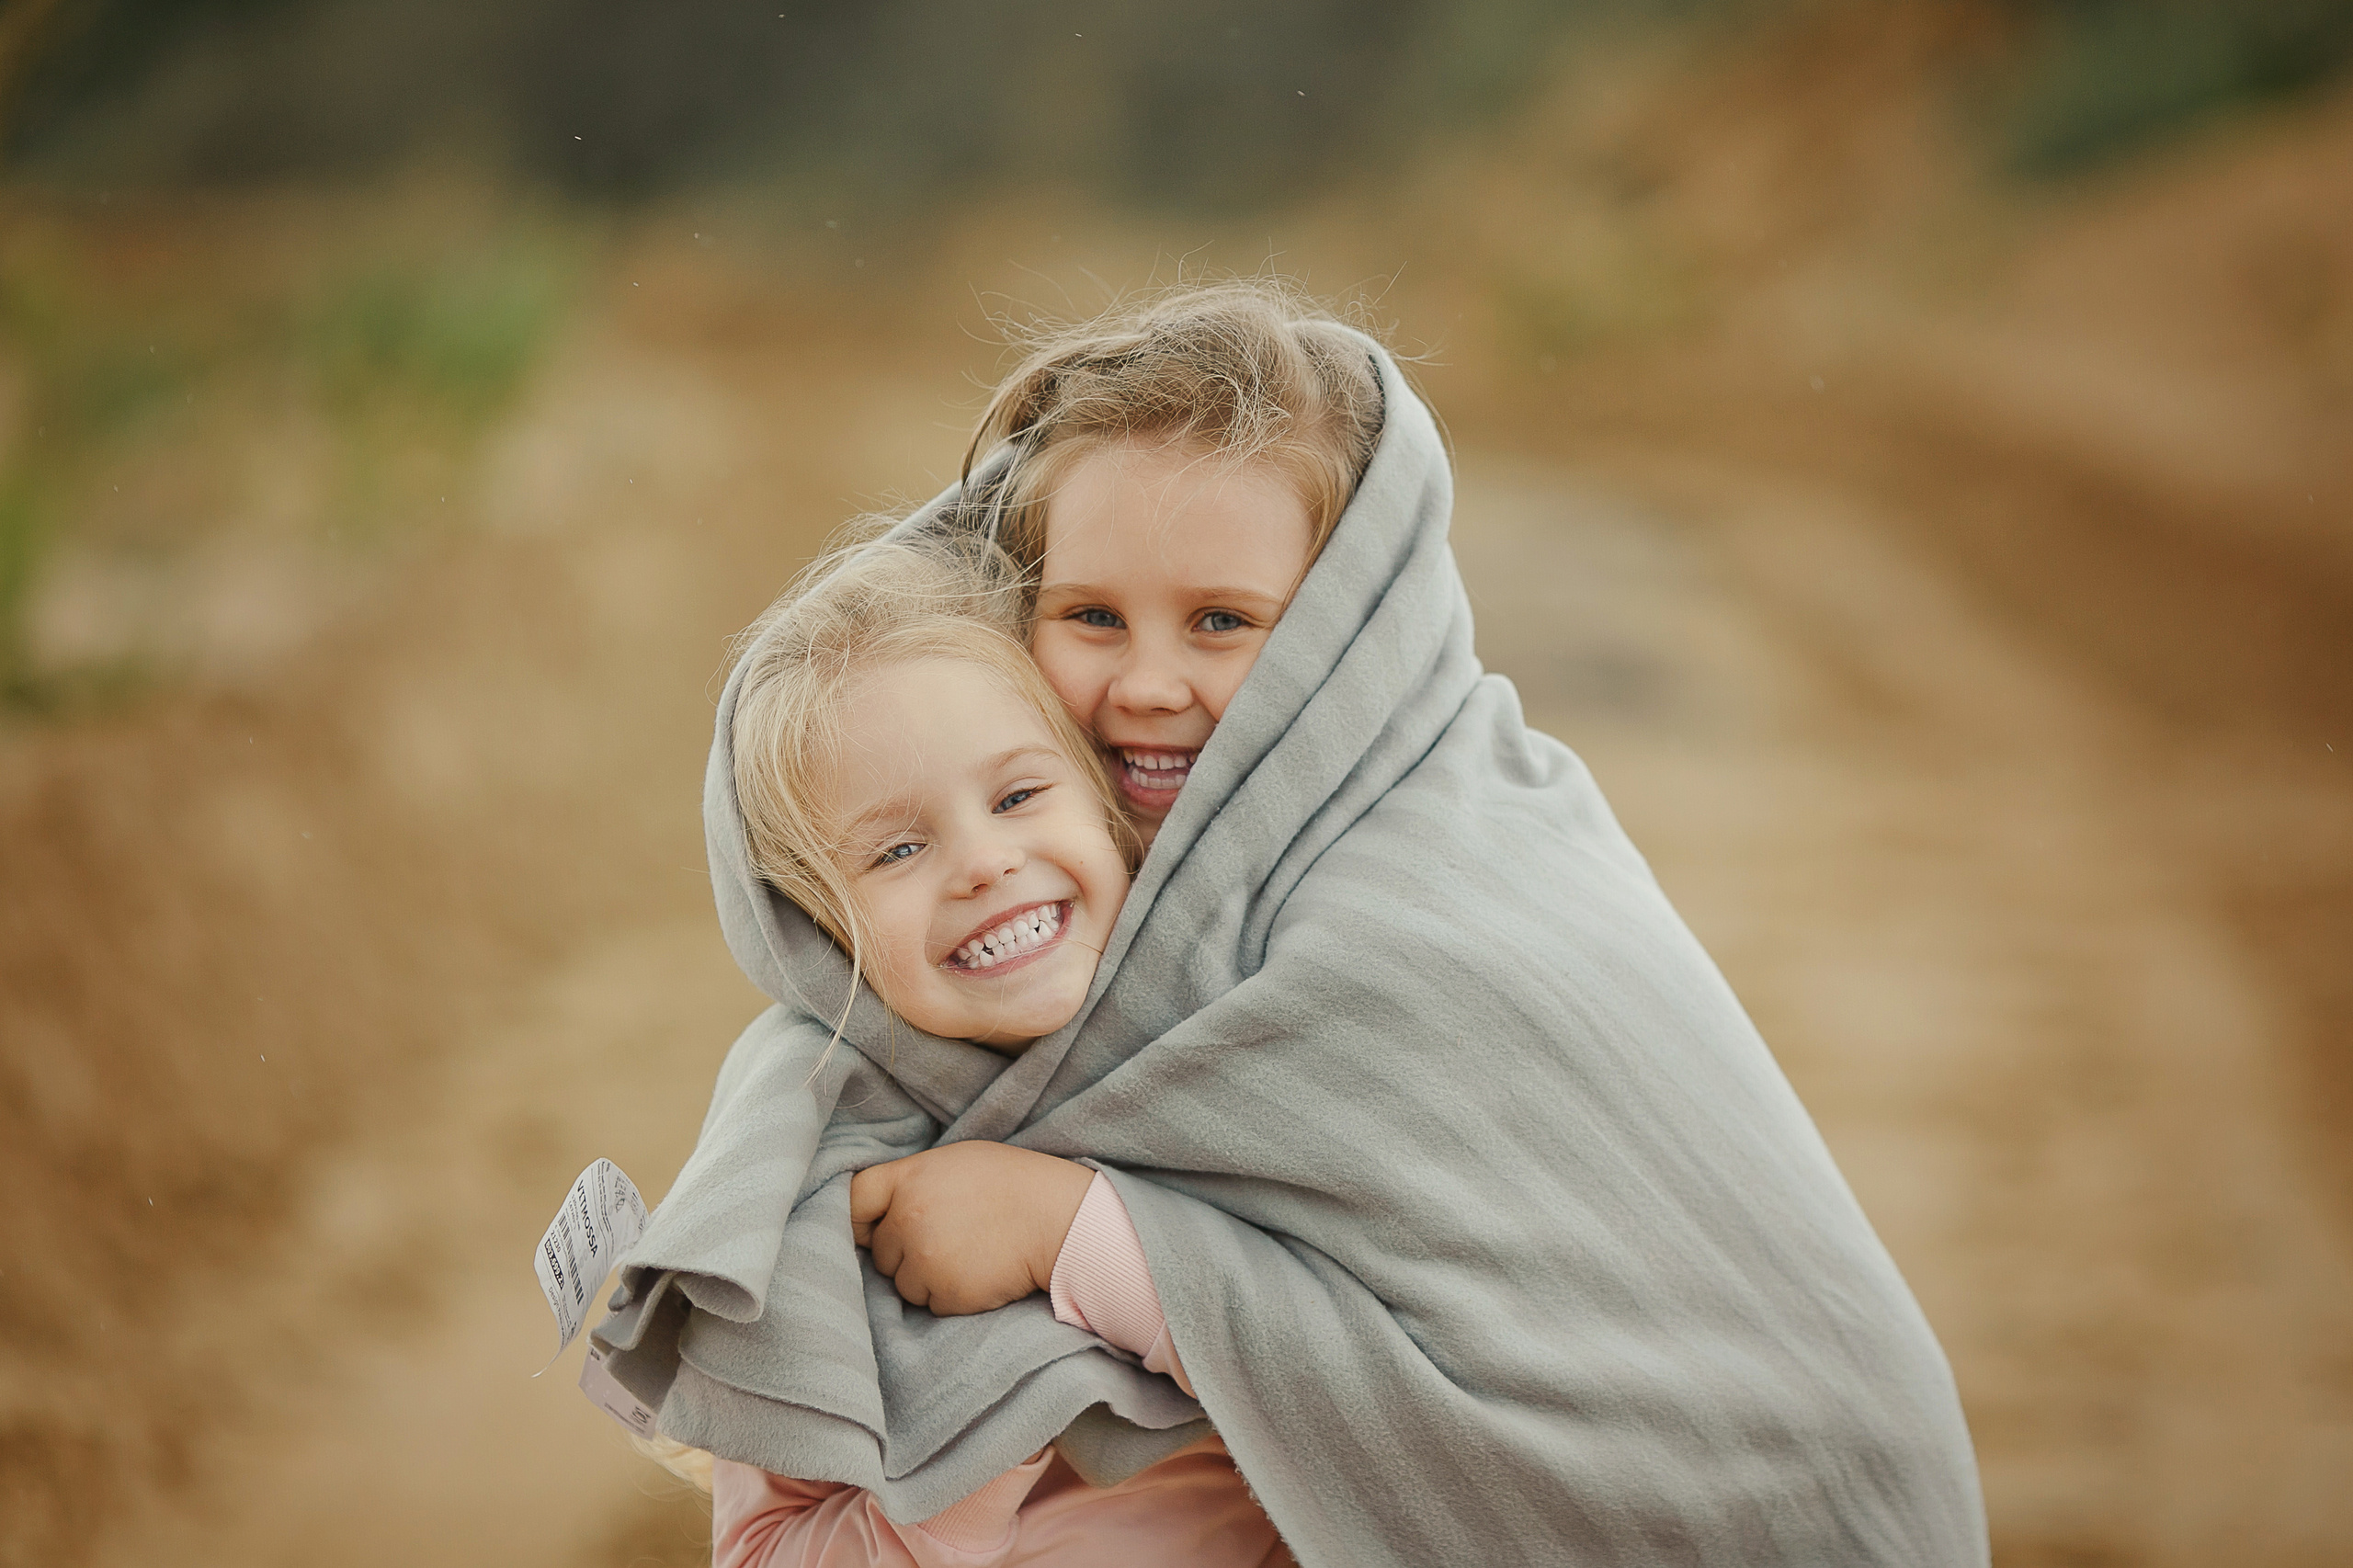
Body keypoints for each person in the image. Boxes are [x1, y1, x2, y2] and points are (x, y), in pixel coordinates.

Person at [599, 281, 1987, 1568]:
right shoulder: (934, 990)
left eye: (1222, 620)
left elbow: (1543, 1374)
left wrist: (1078, 1229)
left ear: (1343, 630)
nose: (1149, 683)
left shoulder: (1448, 892)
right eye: (1090, 614)